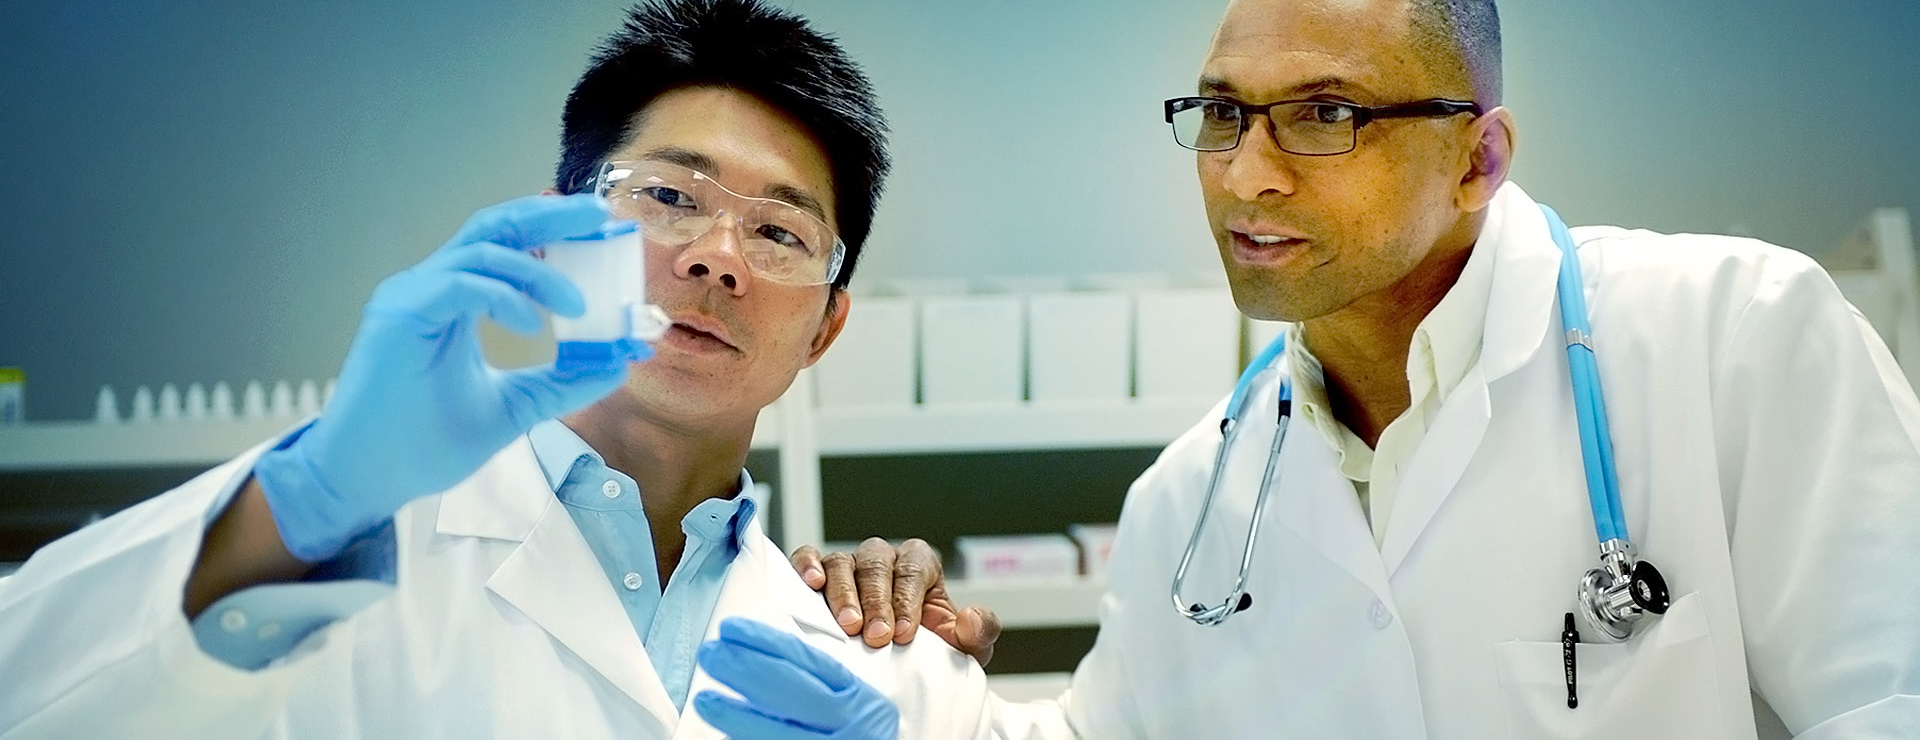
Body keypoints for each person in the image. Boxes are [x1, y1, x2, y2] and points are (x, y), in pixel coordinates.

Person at [753, 0, 1920, 737]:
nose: (1245, 175)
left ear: (1480, 157)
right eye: (1221, 112)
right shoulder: (1196, 495)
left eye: (1325, 114)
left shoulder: (1735, 334)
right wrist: (925, 686)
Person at [0, 1, 994, 738]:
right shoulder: (327, 548)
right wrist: (303, 501)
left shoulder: (887, 672)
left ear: (825, 325)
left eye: (778, 229)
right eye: (669, 194)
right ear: (556, 233)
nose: (716, 256)